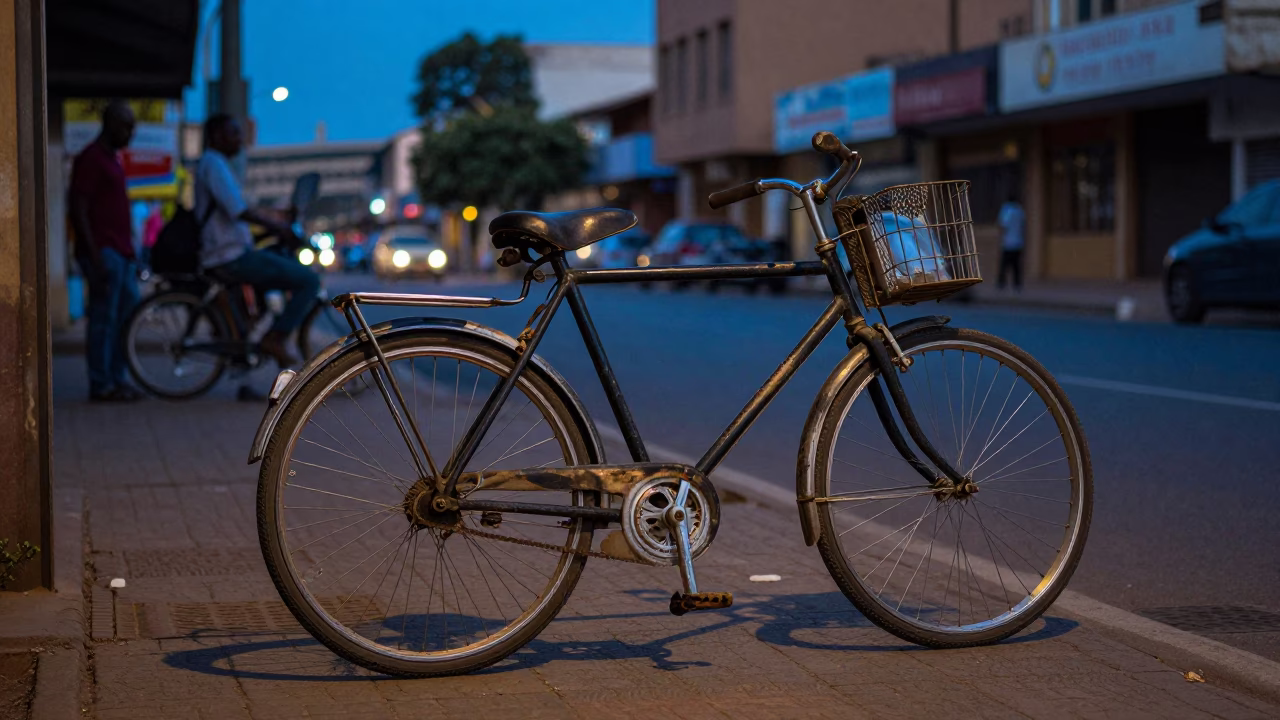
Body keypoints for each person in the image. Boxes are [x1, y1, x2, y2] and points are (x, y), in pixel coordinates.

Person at [195, 113, 319, 371]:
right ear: (217, 136)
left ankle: (253, 336)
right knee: (309, 281)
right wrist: (279, 227)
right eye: (234, 133)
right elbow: (238, 210)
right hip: (228, 256)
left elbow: (237, 217)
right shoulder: (213, 164)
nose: (240, 140)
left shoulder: (217, 165)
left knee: (276, 262)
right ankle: (275, 338)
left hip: (232, 250)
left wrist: (272, 230)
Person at [69, 100, 143, 402]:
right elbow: (79, 207)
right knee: (104, 319)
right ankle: (101, 384)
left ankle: (117, 378)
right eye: (126, 126)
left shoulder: (113, 159)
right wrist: (94, 254)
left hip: (121, 253)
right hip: (104, 253)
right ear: (110, 124)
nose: (130, 134)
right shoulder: (91, 158)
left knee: (127, 317)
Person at [997, 191, 1026, 291]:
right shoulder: (1020, 210)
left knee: (1004, 265)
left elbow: (1003, 225)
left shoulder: (1007, 210)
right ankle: (1017, 284)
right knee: (1016, 266)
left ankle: (1001, 283)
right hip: (1018, 242)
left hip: (1008, 242)